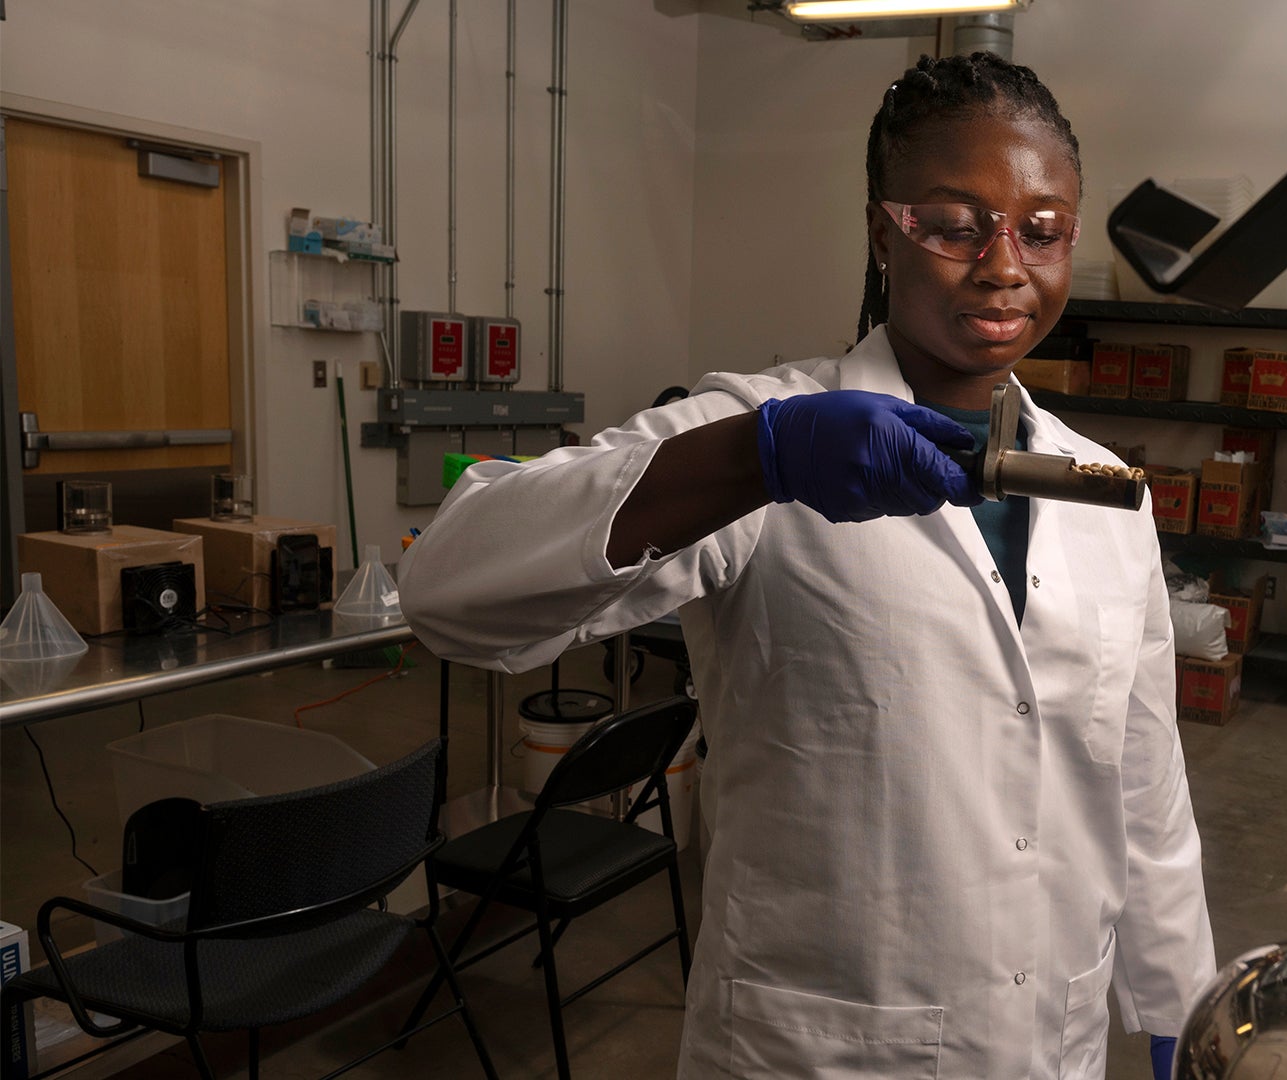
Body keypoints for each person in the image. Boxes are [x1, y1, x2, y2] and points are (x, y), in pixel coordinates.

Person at [399, 52, 1215, 1079]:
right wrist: (761, 458)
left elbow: (1142, 783)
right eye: (957, 225)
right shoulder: (761, 431)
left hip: (1047, 1041)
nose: (1006, 265)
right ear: (884, 233)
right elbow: (446, 593)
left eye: (1042, 230)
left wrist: (1182, 1010)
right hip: (822, 1048)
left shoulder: (1100, 491)